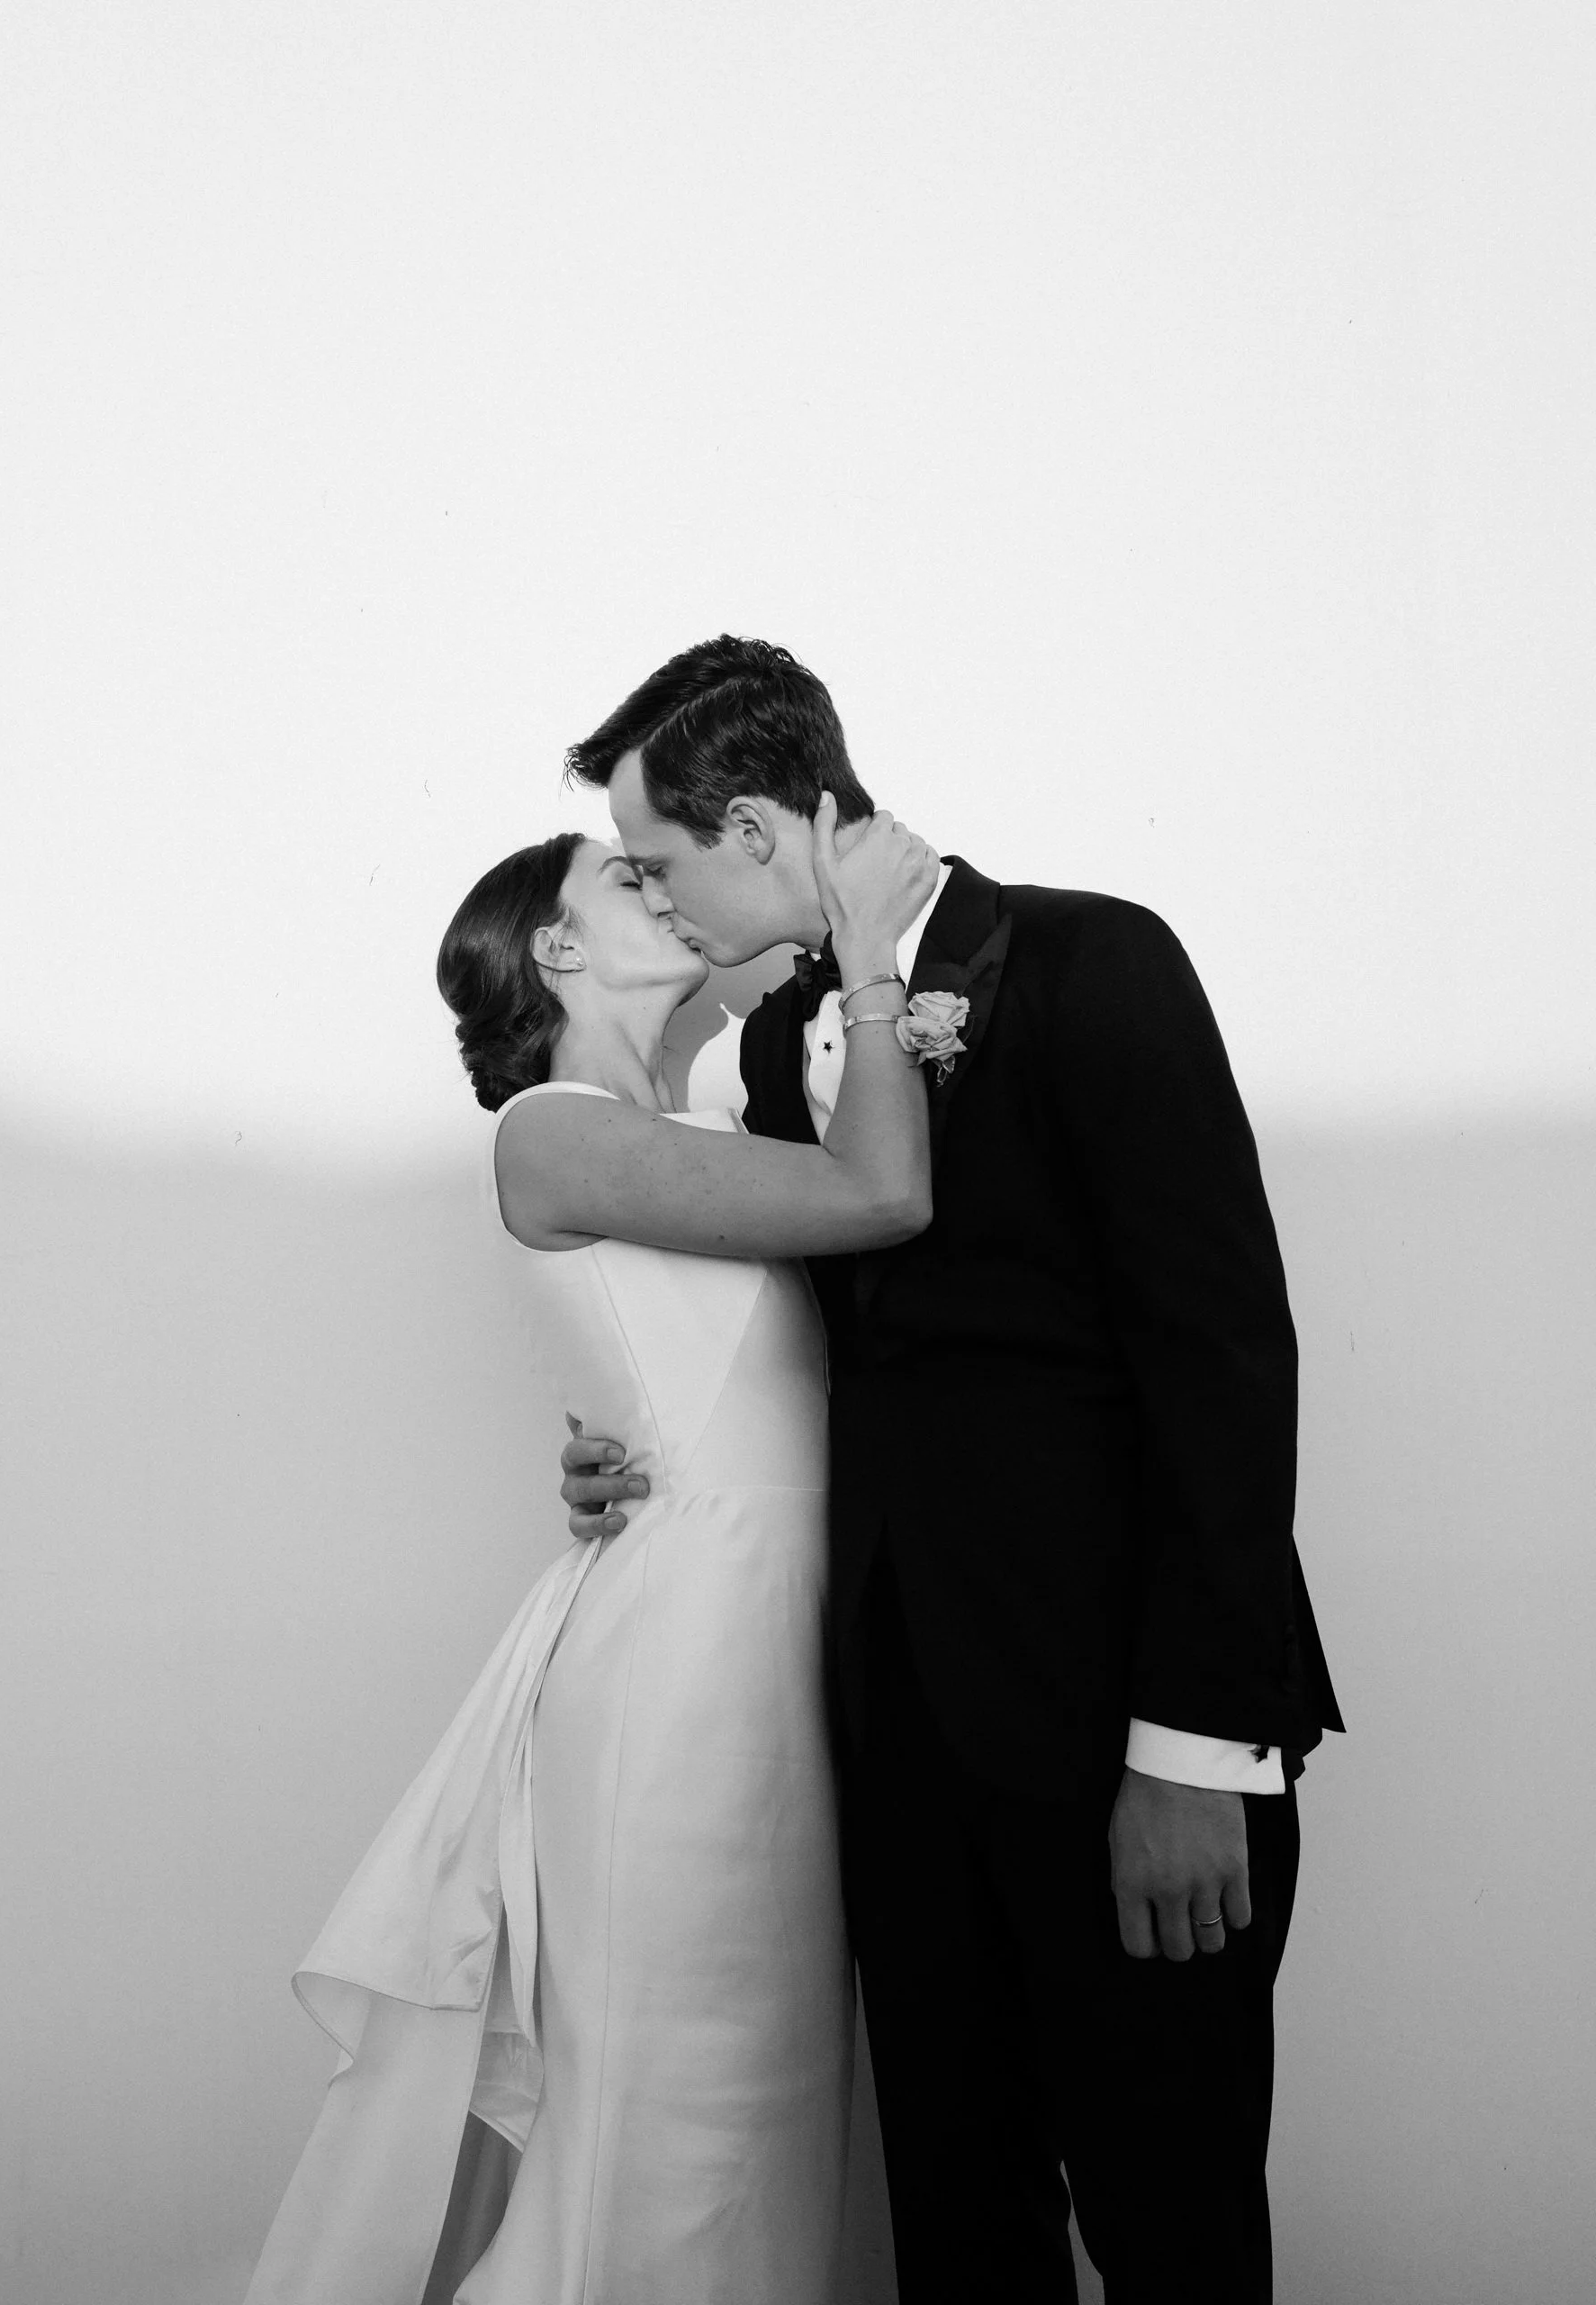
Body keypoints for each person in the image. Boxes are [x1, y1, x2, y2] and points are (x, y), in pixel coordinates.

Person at [558, 635, 1344, 2304]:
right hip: (899, 1753)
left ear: (765, 828)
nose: (658, 894)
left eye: (664, 857)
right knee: (959, 2232)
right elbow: (799, 1359)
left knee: (1174, 2228)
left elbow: (1224, 1361)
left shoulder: (1090, 960)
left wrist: (1192, 1753)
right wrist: (632, 1454)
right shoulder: (775, 1058)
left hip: (1128, 1740)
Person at [242, 800, 940, 2305]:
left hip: (779, 1647)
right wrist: (873, 959)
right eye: (630, 875)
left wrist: (620, 1442)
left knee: (769, 2089)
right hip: (678, 1668)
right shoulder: (550, 1130)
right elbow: (881, 1197)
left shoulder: (710, 1131)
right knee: (670, 2104)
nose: (669, 889)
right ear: (559, 946)